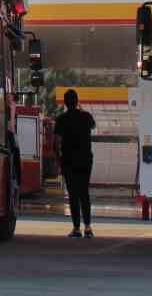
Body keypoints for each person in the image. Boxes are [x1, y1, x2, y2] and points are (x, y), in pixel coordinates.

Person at [54, 89, 96, 238]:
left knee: (73, 194)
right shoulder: (86, 116)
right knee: (84, 193)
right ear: (77, 101)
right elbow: (93, 126)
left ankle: (76, 228)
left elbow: (56, 143)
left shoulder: (61, 119)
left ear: (65, 102)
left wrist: (59, 160)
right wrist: (81, 109)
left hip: (69, 161)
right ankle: (88, 228)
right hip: (85, 160)